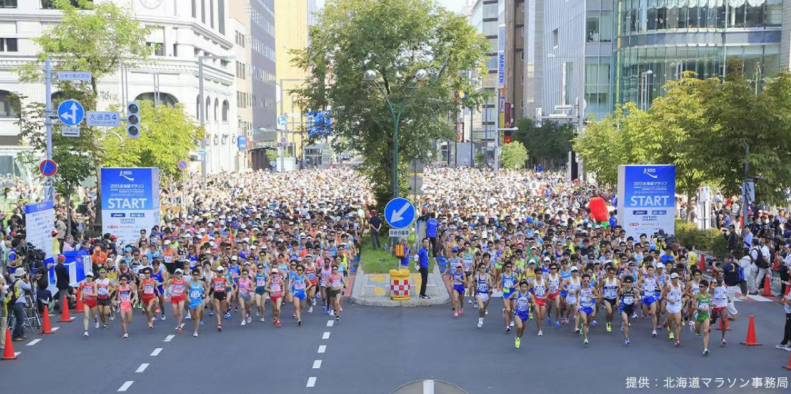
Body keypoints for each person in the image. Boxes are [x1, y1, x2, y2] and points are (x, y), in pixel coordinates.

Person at [691, 279, 712, 356]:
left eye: (701, 286)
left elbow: (709, 304)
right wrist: (701, 308)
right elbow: (692, 306)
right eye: (699, 286)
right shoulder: (697, 295)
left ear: (706, 287)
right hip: (698, 315)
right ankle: (694, 326)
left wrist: (712, 305)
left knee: (706, 331)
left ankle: (705, 349)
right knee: (697, 331)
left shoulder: (709, 295)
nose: (700, 288)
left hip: (706, 315)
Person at [9, 269, 31, 341]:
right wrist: (28, 280)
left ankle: (21, 334)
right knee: (20, 320)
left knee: (19, 319)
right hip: (19, 302)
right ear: (22, 275)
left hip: (14, 302)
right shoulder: (20, 282)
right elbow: (29, 287)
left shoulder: (14, 281)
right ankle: (16, 336)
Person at [662, 272, 684, 347]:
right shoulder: (669, 287)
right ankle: (671, 331)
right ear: (671, 279)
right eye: (674, 278)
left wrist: (681, 297)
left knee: (678, 323)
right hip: (670, 306)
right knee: (670, 321)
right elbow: (664, 296)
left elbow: (683, 291)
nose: (675, 280)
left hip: (677, 305)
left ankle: (677, 339)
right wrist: (669, 300)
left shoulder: (680, 285)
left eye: (677, 278)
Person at [113, 274, 136, 338]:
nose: (123, 281)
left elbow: (135, 294)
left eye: (125, 280)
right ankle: (125, 332)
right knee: (122, 318)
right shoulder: (119, 288)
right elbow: (115, 295)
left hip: (128, 304)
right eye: (122, 280)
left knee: (129, 321)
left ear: (127, 280)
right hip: (122, 304)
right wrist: (114, 300)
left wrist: (132, 299)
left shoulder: (129, 287)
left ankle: (127, 322)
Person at [187, 268, 208, 337]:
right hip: (191, 302)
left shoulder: (201, 283)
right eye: (194, 275)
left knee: (197, 315)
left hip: (198, 302)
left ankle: (196, 331)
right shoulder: (189, 283)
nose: (196, 276)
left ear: (199, 275)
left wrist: (205, 294)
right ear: (192, 275)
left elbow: (206, 289)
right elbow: (185, 292)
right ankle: (196, 322)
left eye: (197, 275)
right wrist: (188, 298)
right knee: (193, 317)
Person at [80, 272, 99, 337]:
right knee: (86, 316)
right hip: (86, 302)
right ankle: (86, 331)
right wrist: (81, 297)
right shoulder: (84, 284)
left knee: (94, 315)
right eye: (87, 276)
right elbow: (82, 291)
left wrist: (88, 294)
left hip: (93, 302)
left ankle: (96, 320)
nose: (88, 278)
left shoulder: (94, 284)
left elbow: (96, 294)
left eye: (90, 277)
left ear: (92, 277)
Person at [513, 280, 531, 349]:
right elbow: (509, 298)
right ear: (520, 287)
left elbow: (533, 303)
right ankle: (517, 337)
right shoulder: (516, 293)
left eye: (525, 287)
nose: (524, 288)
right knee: (519, 326)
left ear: (527, 287)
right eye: (522, 287)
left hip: (525, 313)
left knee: (522, 329)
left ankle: (519, 337)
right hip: (518, 312)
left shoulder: (529, 295)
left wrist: (531, 305)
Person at [474, 262, 492, 328]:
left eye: (485, 268)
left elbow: (491, 285)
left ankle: (481, 317)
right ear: (479, 269)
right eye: (482, 268)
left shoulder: (488, 276)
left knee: (483, 309)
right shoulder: (476, 276)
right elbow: (473, 283)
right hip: (479, 293)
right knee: (481, 307)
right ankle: (480, 319)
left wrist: (488, 283)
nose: (484, 269)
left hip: (486, 294)